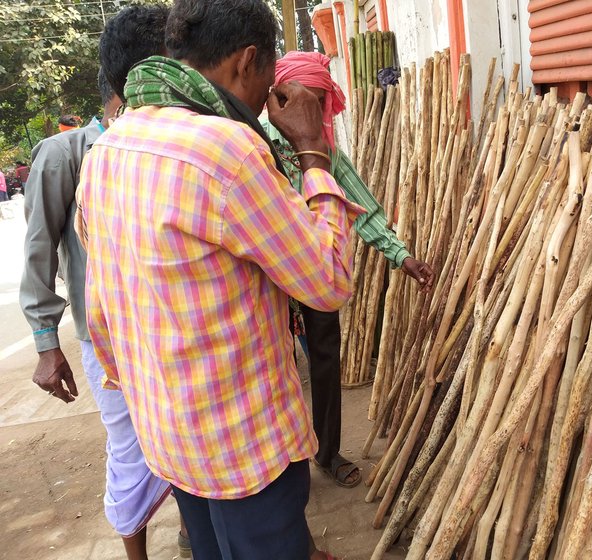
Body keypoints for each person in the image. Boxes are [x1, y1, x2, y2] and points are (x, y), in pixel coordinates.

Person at [77, 0, 363, 558]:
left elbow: (101, 311)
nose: (268, 95)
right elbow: (328, 281)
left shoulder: (109, 148)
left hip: (170, 439)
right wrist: (313, 153)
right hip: (244, 454)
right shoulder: (227, 151)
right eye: (269, 76)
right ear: (247, 62)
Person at [19, 7, 180, 560]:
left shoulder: (178, 142)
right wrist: (46, 344)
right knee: (131, 450)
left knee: (184, 440)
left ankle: (194, 537)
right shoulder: (65, 156)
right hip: (108, 339)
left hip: (174, 328)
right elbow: (39, 251)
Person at [265, 50, 435, 488]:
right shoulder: (256, 144)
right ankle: (280, 465)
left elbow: (362, 208)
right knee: (271, 366)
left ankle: (326, 451)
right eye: (307, 100)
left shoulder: (323, 152)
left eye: (321, 102)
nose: (315, 112)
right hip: (266, 275)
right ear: (281, 97)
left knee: (324, 361)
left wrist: (402, 255)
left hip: (315, 269)